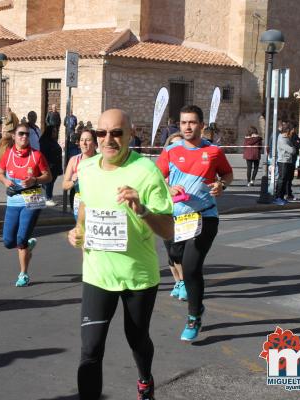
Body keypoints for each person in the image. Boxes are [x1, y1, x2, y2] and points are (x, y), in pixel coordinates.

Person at [67, 109, 174, 400]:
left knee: (137, 339)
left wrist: (142, 209)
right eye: (102, 133)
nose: (108, 139)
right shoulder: (87, 169)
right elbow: (86, 205)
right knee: (90, 350)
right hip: (97, 274)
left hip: (137, 276)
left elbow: (168, 230)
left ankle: (145, 380)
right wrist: (77, 229)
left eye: (116, 133)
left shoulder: (146, 172)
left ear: (130, 133)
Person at [156, 105, 233, 341]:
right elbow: (156, 177)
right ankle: (198, 306)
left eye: (191, 122)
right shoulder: (170, 151)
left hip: (205, 216)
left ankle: (193, 317)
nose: (187, 127)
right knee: (175, 257)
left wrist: (222, 185)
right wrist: (168, 188)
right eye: (183, 123)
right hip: (178, 217)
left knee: (191, 267)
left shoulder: (213, 151)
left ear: (201, 125)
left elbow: (227, 174)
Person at [0, 123, 52, 287]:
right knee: (8, 242)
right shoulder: (8, 154)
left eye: (27, 135)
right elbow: (0, 173)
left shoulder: (37, 155)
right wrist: (6, 181)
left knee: (21, 238)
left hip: (33, 198)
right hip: (13, 200)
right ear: (14, 136)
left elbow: (48, 176)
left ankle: (23, 274)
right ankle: (27, 245)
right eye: (21, 134)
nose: (24, 137)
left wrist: (34, 180)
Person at [161, 132, 187, 301]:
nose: (177, 147)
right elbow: (156, 179)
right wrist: (168, 187)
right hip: (166, 210)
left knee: (178, 250)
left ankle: (184, 283)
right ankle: (177, 282)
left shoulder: (187, 166)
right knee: (170, 251)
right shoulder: (164, 164)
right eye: (173, 144)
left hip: (184, 212)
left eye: (180, 144)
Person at [62, 128, 97, 220]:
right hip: (79, 203)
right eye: (82, 140)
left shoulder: (101, 161)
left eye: (88, 140)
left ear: (95, 144)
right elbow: (65, 185)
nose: (84, 143)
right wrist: (73, 181)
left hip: (96, 202)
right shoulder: (74, 160)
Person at [39, 125, 63, 206]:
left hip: (55, 166)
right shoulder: (44, 141)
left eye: (56, 131)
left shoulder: (53, 141)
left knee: (49, 182)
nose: (55, 133)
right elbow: (43, 154)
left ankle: (45, 197)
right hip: (49, 165)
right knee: (48, 182)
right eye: (53, 131)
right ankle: (48, 198)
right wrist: (48, 165)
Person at [274, 126, 297, 205]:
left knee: (285, 180)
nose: (292, 133)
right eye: (291, 131)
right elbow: (291, 150)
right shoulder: (282, 138)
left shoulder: (287, 138)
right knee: (282, 179)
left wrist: (293, 149)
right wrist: (293, 149)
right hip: (283, 161)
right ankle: (278, 197)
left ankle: (282, 197)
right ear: (287, 131)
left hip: (287, 160)